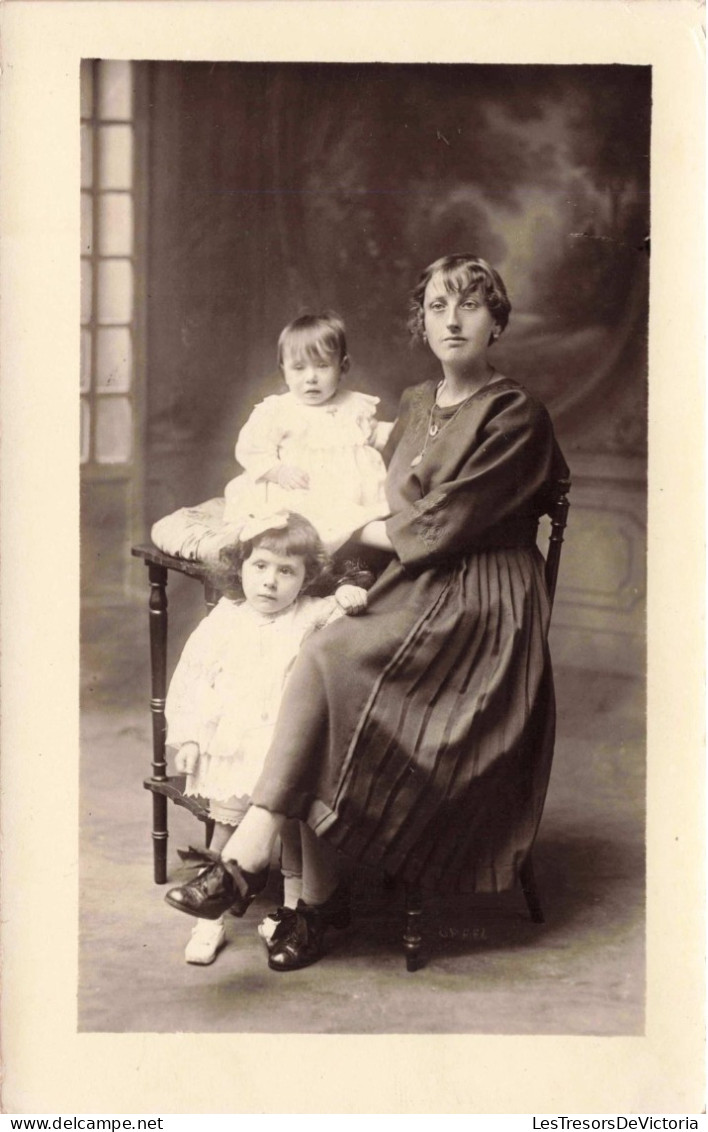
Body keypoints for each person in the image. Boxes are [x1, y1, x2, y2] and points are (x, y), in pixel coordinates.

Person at [165, 254, 570, 972]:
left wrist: (347, 522)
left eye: (470, 306)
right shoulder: (413, 404)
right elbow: (366, 484)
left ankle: (275, 873)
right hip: (411, 584)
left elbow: (441, 524)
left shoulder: (516, 415)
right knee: (312, 648)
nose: (453, 319)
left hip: (482, 600)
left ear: (496, 320)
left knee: (333, 660)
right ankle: (289, 876)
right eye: (439, 307)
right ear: (422, 322)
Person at [164, 510, 367, 966]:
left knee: (295, 836)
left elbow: (341, 610)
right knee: (227, 828)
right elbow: (194, 677)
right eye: (260, 567)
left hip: (282, 750)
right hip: (235, 747)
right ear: (240, 567)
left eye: (286, 571)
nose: (270, 583)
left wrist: (347, 593)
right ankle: (208, 919)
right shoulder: (224, 619)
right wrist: (190, 737)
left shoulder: (308, 614)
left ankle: (291, 917)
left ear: (305, 578)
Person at [150, 312, 393, 562]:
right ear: (284, 371)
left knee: (357, 512)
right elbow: (251, 449)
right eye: (299, 368)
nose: (311, 377)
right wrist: (277, 472)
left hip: (353, 491)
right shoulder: (278, 410)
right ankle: (379, 537)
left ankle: (379, 534)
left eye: (322, 366)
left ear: (343, 367)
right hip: (302, 489)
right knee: (314, 513)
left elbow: (374, 435)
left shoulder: (354, 405)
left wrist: (396, 432)